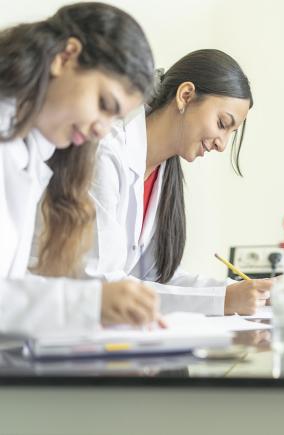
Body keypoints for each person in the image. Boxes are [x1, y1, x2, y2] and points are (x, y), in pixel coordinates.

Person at [0, 2, 160, 335]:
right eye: (104, 105)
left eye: (114, 118)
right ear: (65, 56)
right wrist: (88, 303)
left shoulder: (31, 153)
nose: (102, 129)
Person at [84, 49, 271, 315]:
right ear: (185, 96)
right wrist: (222, 300)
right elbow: (101, 284)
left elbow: (158, 278)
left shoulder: (163, 171)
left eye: (231, 132)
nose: (222, 144)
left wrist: (242, 293)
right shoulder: (105, 153)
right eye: (221, 123)